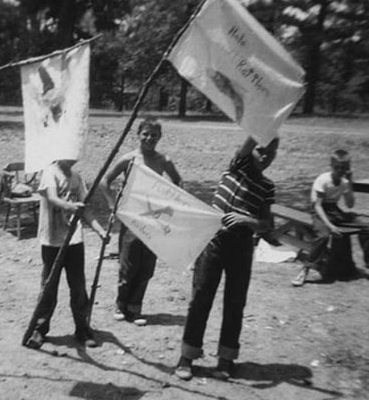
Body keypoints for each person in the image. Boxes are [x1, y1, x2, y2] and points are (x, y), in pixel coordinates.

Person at [175, 136, 279, 381]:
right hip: (214, 242)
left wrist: (248, 220)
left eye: (271, 153)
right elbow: (249, 140)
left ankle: (226, 359)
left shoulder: (267, 186)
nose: (265, 157)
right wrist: (263, 123)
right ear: (251, 151)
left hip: (242, 247)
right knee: (200, 298)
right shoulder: (237, 168)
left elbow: (266, 224)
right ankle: (187, 356)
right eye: (261, 151)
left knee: (235, 302)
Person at [100, 118, 181, 326]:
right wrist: (113, 206)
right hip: (132, 218)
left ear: (159, 137)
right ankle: (121, 304)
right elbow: (105, 182)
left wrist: (171, 202)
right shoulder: (129, 159)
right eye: (145, 134)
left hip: (154, 219)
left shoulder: (164, 160)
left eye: (154, 135)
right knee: (128, 263)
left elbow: (178, 182)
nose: (149, 138)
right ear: (138, 135)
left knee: (146, 266)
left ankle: (136, 308)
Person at [24, 159, 108, 349]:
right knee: (49, 286)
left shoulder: (77, 177)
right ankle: (39, 329)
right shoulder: (50, 172)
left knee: (78, 287)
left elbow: (85, 211)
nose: (71, 156)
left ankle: (82, 328)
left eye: (75, 153)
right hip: (52, 240)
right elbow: (52, 198)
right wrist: (70, 207)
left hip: (74, 241)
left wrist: (100, 230)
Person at [291, 150, 369, 286]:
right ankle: (306, 268)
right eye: (337, 167)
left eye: (344, 168)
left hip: (334, 210)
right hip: (319, 211)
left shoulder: (344, 182)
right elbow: (318, 206)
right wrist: (330, 226)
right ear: (331, 166)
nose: (340, 170)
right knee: (323, 236)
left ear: (348, 168)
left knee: (366, 224)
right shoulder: (323, 180)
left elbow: (350, 205)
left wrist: (349, 183)